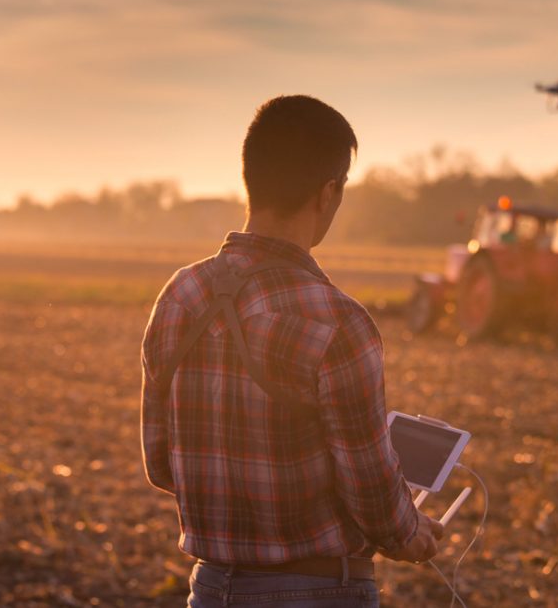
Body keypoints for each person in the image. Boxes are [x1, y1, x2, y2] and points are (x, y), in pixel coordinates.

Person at [141, 95, 443, 607]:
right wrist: (409, 533)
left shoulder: (180, 296)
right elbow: (371, 492)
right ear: (328, 193)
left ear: (251, 178)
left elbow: (160, 464)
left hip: (210, 588)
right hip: (320, 593)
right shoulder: (337, 320)